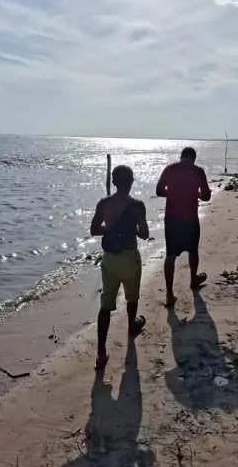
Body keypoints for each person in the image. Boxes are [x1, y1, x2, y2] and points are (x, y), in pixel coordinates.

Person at [90, 165, 149, 371]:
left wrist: (110, 227)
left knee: (106, 304)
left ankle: (101, 352)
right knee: (132, 298)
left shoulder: (104, 203)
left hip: (110, 259)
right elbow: (144, 234)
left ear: (113, 182)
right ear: (131, 182)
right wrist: (131, 228)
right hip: (130, 257)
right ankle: (131, 326)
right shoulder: (137, 205)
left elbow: (94, 230)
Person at [156, 147, 211, 307]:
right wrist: (195, 194)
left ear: (181, 157)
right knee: (193, 250)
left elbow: (159, 191)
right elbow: (206, 196)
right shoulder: (198, 171)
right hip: (190, 218)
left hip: (172, 219)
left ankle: (169, 294)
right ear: (194, 158)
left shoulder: (170, 169)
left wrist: (173, 193)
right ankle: (193, 279)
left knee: (170, 255)